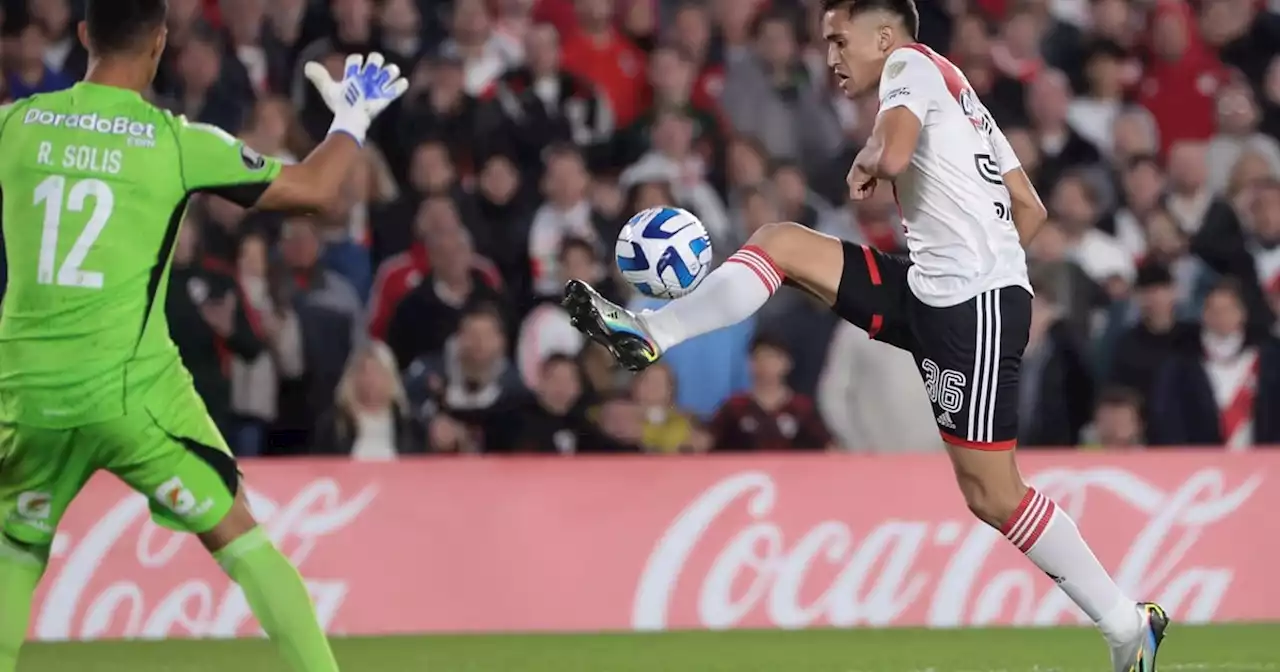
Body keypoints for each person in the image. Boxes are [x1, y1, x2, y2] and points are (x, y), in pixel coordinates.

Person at [560, 0, 1166, 669]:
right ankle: (650, 330)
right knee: (780, 243)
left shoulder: (907, 64)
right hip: (937, 291)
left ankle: (1126, 625)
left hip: (974, 307)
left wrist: (879, 164)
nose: (830, 58)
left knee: (993, 494)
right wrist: (975, 258)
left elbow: (899, 148)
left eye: (838, 41)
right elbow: (1031, 207)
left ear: (883, 36)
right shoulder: (959, 90)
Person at [0, 1, 408, 670]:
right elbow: (313, 191)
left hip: (23, 389)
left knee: (15, 546)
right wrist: (351, 121)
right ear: (160, 43)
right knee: (237, 528)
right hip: (128, 392)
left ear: (81, 37)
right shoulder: (175, 141)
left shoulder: (15, 125)